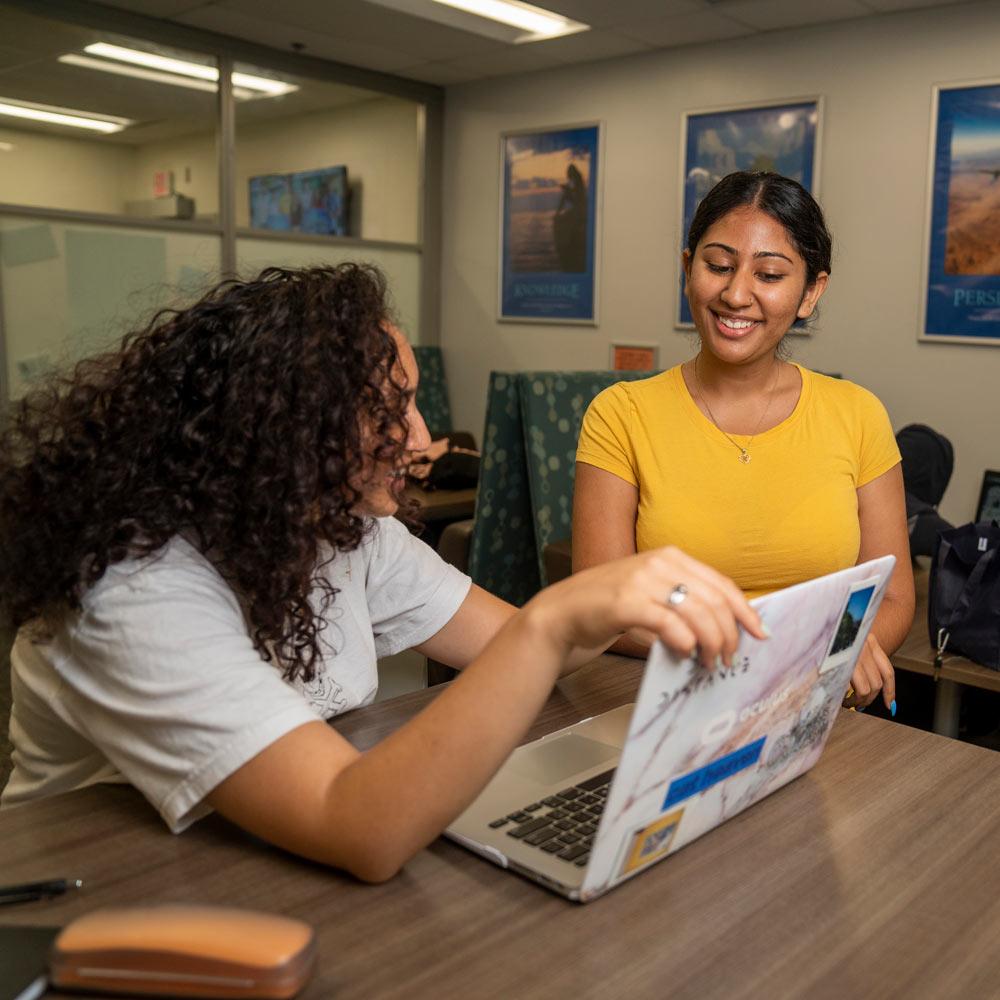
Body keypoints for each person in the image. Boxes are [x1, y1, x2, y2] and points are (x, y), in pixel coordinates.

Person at [0, 264, 765, 883]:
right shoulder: (127, 585)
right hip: (102, 897)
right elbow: (355, 827)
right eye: (391, 410)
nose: (424, 438)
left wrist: (603, 612)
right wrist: (555, 616)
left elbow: (510, 650)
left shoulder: (340, 526)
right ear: (287, 429)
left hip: (257, 864)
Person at [574, 171, 914, 713]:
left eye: (770, 274)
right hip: (664, 708)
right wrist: (770, 652)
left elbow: (893, 596)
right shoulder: (621, 415)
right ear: (688, 269)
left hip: (810, 708)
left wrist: (851, 645)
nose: (736, 294)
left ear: (811, 292)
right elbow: (599, 606)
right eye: (718, 266)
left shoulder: (858, 414)